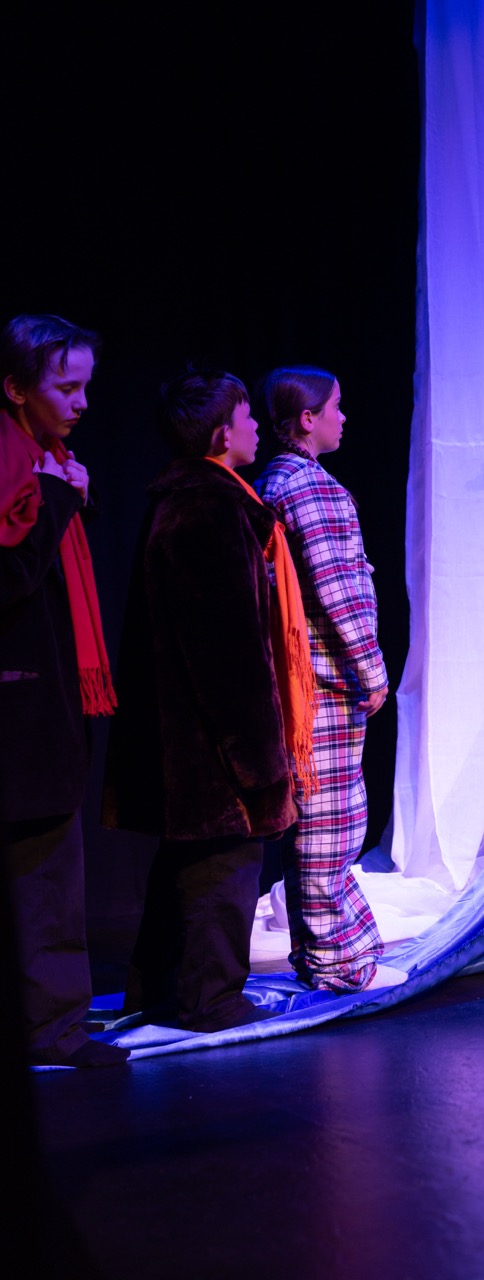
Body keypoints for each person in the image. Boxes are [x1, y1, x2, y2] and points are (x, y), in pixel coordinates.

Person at [102, 369, 316, 1033]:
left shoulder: (188, 500)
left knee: (186, 867)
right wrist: (258, 762)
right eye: (246, 416)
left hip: (185, 740)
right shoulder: (210, 508)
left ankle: (160, 993)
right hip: (210, 747)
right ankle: (210, 1001)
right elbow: (229, 652)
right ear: (222, 434)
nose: (256, 428)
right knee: (223, 868)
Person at [0, 313, 127, 1068]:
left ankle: (53, 1022)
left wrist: (66, 493)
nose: (81, 403)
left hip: (40, 698)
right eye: (66, 387)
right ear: (16, 389)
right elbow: (9, 578)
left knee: (46, 865)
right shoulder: (18, 465)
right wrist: (54, 497)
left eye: (86, 387)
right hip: (20, 699)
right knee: (43, 870)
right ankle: (52, 1028)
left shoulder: (46, 460)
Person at [254, 366, 398, 993]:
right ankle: (333, 960)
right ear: (307, 418)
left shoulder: (280, 480)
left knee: (327, 821)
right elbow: (336, 588)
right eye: (335, 406)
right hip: (324, 679)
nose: (344, 417)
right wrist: (371, 668)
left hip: (309, 678)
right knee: (327, 824)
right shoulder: (307, 486)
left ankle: (333, 949)